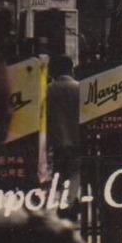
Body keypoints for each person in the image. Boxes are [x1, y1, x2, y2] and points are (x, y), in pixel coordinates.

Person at [46, 55, 82, 185]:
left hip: (56, 144)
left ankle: (62, 201)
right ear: (71, 69)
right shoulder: (80, 88)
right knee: (75, 176)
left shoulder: (47, 90)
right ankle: (72, 201)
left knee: (58, 177)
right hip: (77, 142)